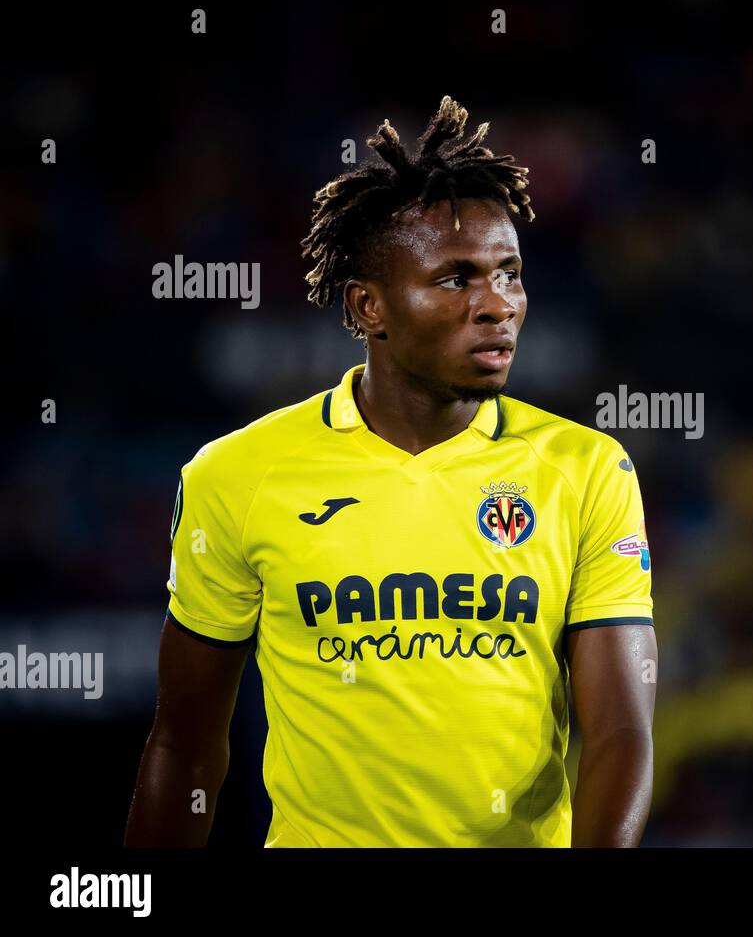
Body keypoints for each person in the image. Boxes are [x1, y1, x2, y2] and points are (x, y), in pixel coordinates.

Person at [125, 97, 657, 847]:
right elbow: (184, 744)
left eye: (510, 274)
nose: (497, 305)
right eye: (455, 279)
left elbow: (619, 737)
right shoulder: (238, 474)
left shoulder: (588, 469)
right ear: (368, 308)